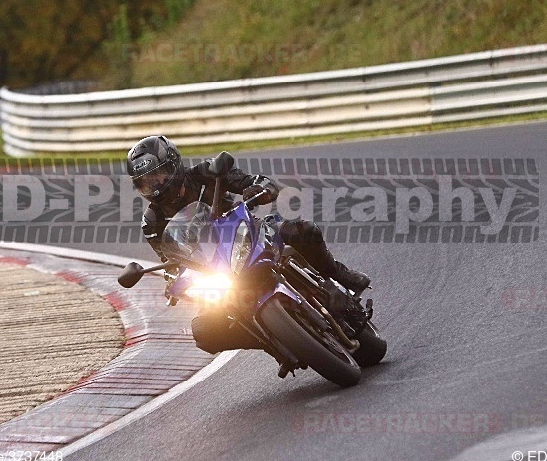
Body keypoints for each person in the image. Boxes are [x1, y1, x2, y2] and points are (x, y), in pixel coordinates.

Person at [126, 135, 371, 355]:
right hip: (211, 269)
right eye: (146, 182)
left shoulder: (205, 173)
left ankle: (337, 273)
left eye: (158, 176)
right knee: (204, 331)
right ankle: (271, 341)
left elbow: (253, 181)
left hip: (246, 235)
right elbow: (168, 259)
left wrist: (260, 188)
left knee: (303, 231)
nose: (155, 185)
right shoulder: (152, 221)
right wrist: (172, 280)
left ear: (173, 165)